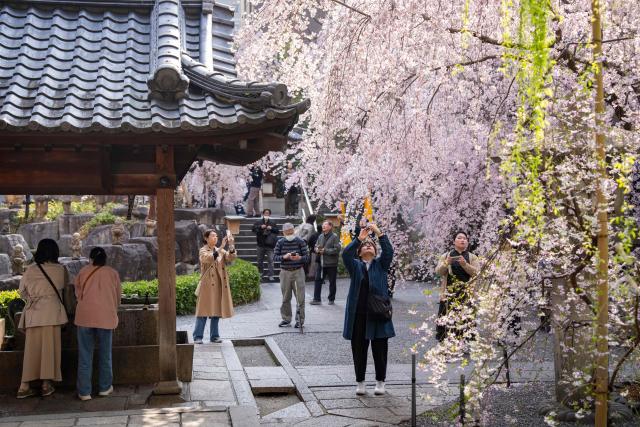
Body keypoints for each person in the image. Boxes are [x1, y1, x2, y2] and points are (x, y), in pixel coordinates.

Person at [342, 224, 394, 396]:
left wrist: (379, 233)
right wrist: (359, 238)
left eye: (371, 245)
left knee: (380, 350)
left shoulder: (381, 265)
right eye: (365, 245)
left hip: (378, 314)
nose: (368, 246)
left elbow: (388, 251)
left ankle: (380, 381)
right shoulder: (355, 265)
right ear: (359, 251)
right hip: (358, 314)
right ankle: (360, 382)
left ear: (375, 250)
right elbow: (345, 254)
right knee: (359, 349)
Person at [16, 239, 68, 399]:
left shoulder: (30, 270)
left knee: (31, 351)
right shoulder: (61, 270)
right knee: (50, 350)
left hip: (34, 314)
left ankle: (24, 386)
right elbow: (65, 290)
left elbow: (21, 292)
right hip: (52, 313)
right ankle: (46, 384)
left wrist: (33, 297)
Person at [74, 247, 122, 401]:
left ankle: (84, 392)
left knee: (85, 354)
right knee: (105, 354)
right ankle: (104, 387)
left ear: (91, 259)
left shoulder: (83, 271)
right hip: (105, 318)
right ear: (105, 259)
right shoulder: (112, 273)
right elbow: (118, 298)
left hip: (84, 317)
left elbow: (77, 293)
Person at [434, 231, 480, 342]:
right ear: (454, 241)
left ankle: (464, 342)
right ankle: (446, 342)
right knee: (447, 319)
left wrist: (465, 264)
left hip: (466, 292)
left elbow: (477, 273)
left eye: (465, 238)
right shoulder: (446, 255)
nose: (462, 240)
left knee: (465, 319)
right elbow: (438, 272)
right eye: (459, 238)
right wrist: (446, 263)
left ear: (467, 242)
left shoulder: (472, 257)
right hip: (449, 292)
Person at [193, 230, 237, 344]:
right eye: (213, 236)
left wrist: (231, 245)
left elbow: (231, 257)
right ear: (206, 238)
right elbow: (207, 258)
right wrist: (222, 246)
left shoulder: (220, 250)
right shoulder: (203, 250)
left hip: (218, 284)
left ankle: (214, 336)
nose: (215, 238)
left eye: (216, 236)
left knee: (216, 312)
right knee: (202, 312)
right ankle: (198, 336)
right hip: (207, 285)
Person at [274, 223, 309, 328]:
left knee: (300, 297)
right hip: (285, 272)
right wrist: (284, 257)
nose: (289, 232)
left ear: (294, 230)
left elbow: (307, 257)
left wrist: (299, 258)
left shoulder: (300, 241)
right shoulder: (280, 242)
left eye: (291, 230)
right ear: (283, 232)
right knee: (285, 297)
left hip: (298, 271)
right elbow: (275, 257)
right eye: (287, 231)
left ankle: (300, 320)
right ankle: (286, 318)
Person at [311, 221, 341, 305]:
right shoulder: (320, 236)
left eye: (325, 225)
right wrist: (316, 249)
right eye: (323, 225)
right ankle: (316, 299)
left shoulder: (334, 237)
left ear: (330, 226)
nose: (323, 226)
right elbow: (316, 245)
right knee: (317, 280)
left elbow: (337, 249)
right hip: (321, 262)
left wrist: (325, 251)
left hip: (331, 263)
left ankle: (331, 299)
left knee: (332, 282)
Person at [252, 209, 279, 282]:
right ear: (263, 214)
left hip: (270, 245)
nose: (266, 214)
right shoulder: (258, 222)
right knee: (260, 260)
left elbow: (277, 231)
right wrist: (260, 227)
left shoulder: (273, 222)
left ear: (270, 214)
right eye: (265, 213)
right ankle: (261, 274)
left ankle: (271, 275)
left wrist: (272, 228)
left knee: (271, 260)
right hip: (260, 244)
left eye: (268, 213)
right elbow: (253, 229)